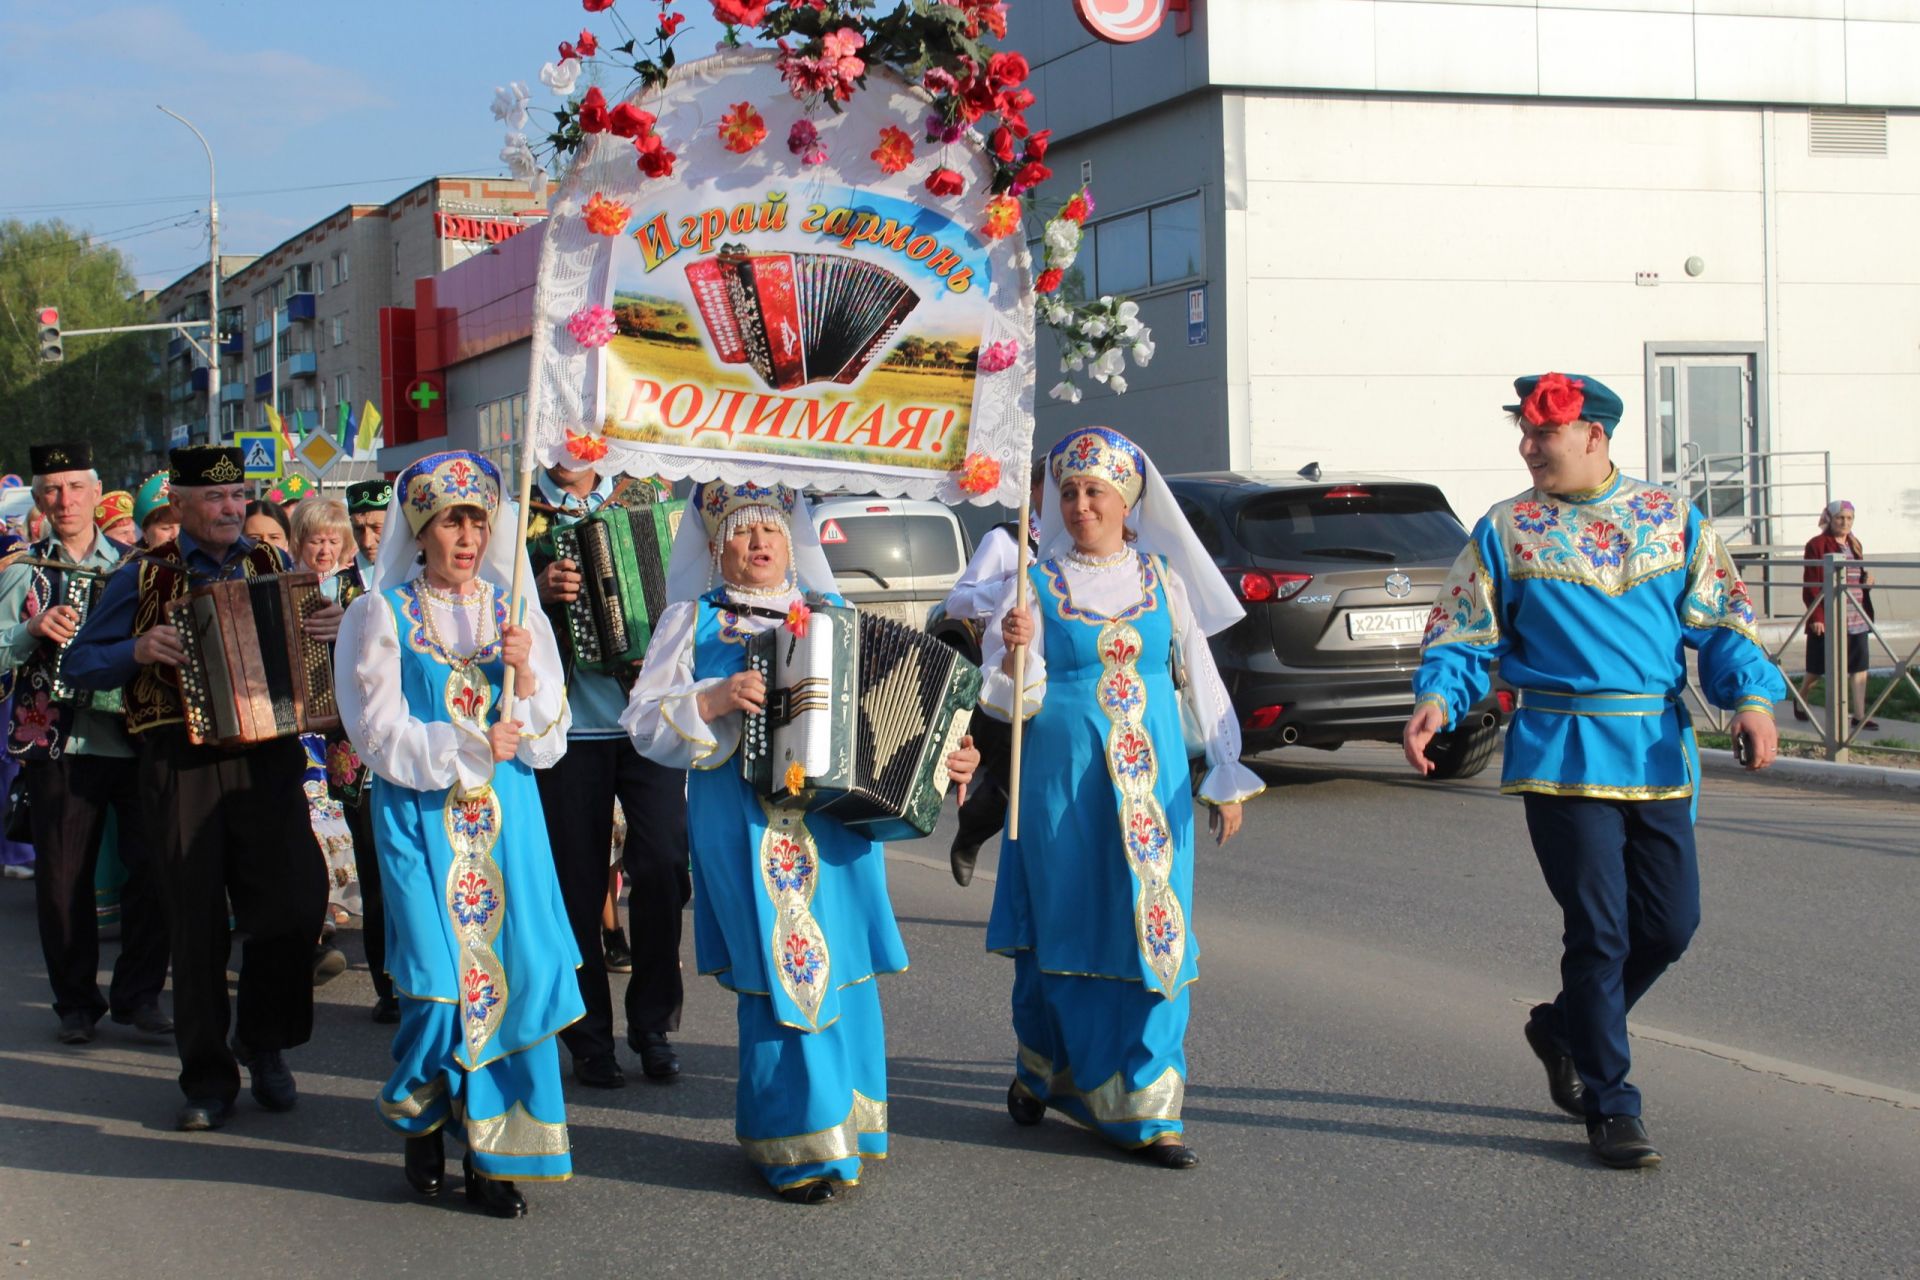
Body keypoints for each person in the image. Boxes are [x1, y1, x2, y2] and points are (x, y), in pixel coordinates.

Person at [1401, 372, 1785, 1171]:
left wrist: (1750, 699)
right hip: (1562, 753)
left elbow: (1719, 621)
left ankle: (1563, 1028)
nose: (1528, 448)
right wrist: (1439, 698)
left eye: (1543, 435)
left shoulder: (1671, 518)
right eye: (1526, 434)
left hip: (1655, 752)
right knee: (1600, 930)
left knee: (1670, 927)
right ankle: (1613, 1104)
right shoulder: (1507, 530)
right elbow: (1466, 632)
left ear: (1594, 438)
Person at [621, 480, 980, 1204]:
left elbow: (904, 709)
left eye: (772, 531)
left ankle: (849, 1123)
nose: (759, 544)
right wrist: (714, 700)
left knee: (839, 963)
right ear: (716, 547)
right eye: (743, 533)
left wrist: (952, 760)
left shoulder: (836, 614)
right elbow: (645, 725)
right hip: (745, 823)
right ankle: (795, 1143)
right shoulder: (690, 621)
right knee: (787, 968)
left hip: (835, 824)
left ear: (794, 542)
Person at [983, 427, 1258, 1171]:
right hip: (1061, 781)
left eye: (1094, 491)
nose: (1078, 505)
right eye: (1068, 492)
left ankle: (1149, 1109)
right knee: (1066, 927)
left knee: (1155, 927)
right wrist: (1012, 650)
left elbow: (1197, 673)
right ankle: (1047, 1066)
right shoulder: (1031, 586)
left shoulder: (1162, 578)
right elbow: (1014, 701)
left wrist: (1224, 774)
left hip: (1153, 778)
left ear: (1127, 501)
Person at [63, 444, 339, 1131]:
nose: (228, 508)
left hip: (268, 755)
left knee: (296, 907)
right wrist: (137, 649)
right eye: (213, 498)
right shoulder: (143, 577)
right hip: (178, 762)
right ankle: (208, 1076)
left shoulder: (276, 565)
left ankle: (263, 1039)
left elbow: (317, 653)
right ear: (179, 506)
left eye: (237, 495)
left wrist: (335, 630)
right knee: (195, 925)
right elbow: (78, 663)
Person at [336, 450, 580, 1218]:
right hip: (420, 818)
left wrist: (530, 682)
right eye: (452, 520)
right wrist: (466, 748)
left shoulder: (514, 613)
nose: (468, 536)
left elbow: (548, 741)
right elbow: (375, 732)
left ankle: (493, 1153)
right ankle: (423, 1112)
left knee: (513, 984)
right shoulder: (379, 615)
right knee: (441, 991)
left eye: (478, 520)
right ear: (423, 529)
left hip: (509, 821)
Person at [0, 443, 171, 1045]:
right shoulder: (23, 570)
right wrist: (27, 629)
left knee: (153, 867)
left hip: (135, 737)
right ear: (40, 499)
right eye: (52, 489)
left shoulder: (136, 565)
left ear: (98, 493)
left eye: (76, 487)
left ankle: (140, 992)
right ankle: (75, 1001)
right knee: (63, 879)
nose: (65, 500)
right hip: (59, 744)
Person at [528, 462, 690, 1089]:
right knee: (575, 882)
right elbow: (487, 606)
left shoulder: (648, 493)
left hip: (646, 721)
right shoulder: (521, 513)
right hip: (566, 726)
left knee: (665, 864)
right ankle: (587, 1035)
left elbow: (687, 585)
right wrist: (537, 591)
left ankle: (651, 1022)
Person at [942, 459, 1043, 887]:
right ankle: (973, 829)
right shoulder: (1007, 540)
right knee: (1011, 775)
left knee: (1031, 780)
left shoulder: (1076, 545)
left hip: (1063, 677)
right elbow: (957, 603)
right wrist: (1008, 583)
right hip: (1009, 672)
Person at [334, 478, 396, 1020]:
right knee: (374, 873)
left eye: (378, 527)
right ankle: (386, 982)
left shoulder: (411, 579)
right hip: (356, 754)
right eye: (360, 529)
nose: (369, 539)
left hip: (414, 749)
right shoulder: (333, 589)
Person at [290, 497, 360, 959]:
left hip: (340, 723)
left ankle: (332, 907)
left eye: (334, 540)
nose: (325, 549)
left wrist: (350, 627)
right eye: (316, 539)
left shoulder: (355, 591)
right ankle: (309, 921)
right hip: (293, 720)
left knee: (339, 815)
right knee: (303, 819)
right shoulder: (283, 583)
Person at [1798, 500, 1877, 731]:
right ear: (1830, 519)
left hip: (1856, 612)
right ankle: (1801, 698)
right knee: (1817, 668)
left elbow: (1856, 574)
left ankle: (1859, 715)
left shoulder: (1854, 543)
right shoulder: (1817, 544)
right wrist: (1816, 617)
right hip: (1830, 613)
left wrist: (1868, 581)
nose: (1845, 523)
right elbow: (1812, 583)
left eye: (1849, 518)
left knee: (1859, 665)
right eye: (1840, 518)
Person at [133, 471, 178, 548]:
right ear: (145, 533)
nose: (176, 535)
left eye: (183, 528)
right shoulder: (134, 560)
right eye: (166, 528)